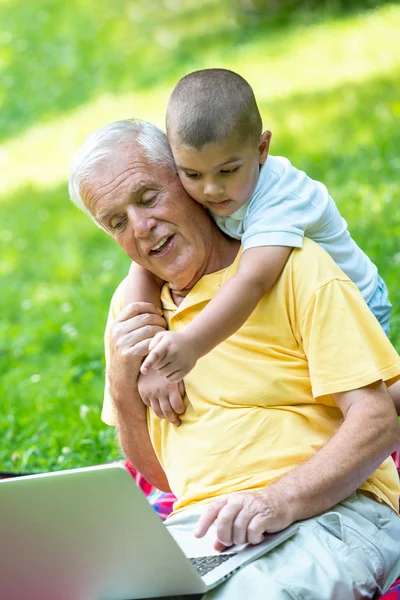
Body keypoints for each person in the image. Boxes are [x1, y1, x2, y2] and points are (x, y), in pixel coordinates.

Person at [69, 119, 400, 599]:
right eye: (117, 221)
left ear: (188, 182)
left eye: (147, 197)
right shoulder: (132, 315)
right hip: (207, 531)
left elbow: (378, 422)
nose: (141, 229)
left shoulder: (293, 264)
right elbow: (163, 476)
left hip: (334, 510)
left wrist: (278, 500)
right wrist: (123, 382)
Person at [120, 69, 393, 392]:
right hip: (293, 305)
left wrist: (191, 343)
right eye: (192, 173)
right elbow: (144, 266)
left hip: (353, 302)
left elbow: (253, 281)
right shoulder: (211, 189)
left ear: (262, 148)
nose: (211, 189)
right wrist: (148, 355)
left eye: (228, 170)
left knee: (353, 399)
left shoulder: (281, 198)